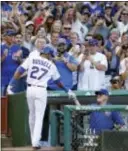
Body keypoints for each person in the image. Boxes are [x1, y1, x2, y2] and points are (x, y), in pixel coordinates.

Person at [7, 46, 76, 150]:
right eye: (50, 55)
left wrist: (12, 83)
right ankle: (35, 142)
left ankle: (33, 140)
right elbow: (58, 82)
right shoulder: (51, 65)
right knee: (39, 117)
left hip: (30, 89)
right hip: (41, 90)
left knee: (32, 116)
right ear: (48, 54)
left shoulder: (32, 58)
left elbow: (20, 70)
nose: (51, 57)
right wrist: (67, 90)